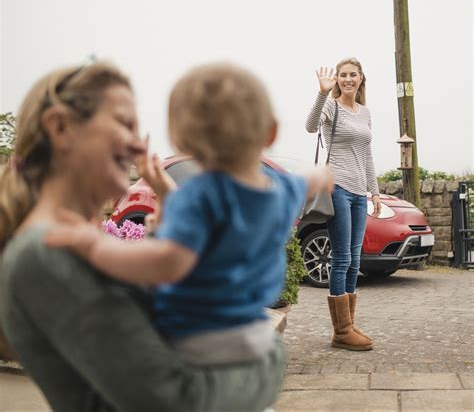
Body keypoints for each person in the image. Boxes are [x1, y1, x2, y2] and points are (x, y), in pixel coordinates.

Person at [0, 61, 330, 412]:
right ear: (61, 127)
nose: (135, 144)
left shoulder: (67, 243)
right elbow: (174, 400)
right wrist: (272, 358)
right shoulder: (46, 253)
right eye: (125, 124)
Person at [305, 57, 381, 351]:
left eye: (353, 74)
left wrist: (374, 191)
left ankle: (348, 323)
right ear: (337, 79)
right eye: (343, 75)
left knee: (355, 260)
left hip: (359, 193)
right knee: (342, 260)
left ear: (361, 78)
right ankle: (341, 331)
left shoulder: (365, 112)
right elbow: (311, 127)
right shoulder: (331, 105)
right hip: (337, 187)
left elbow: (368, 154)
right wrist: (322, 92)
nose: (348, 79)